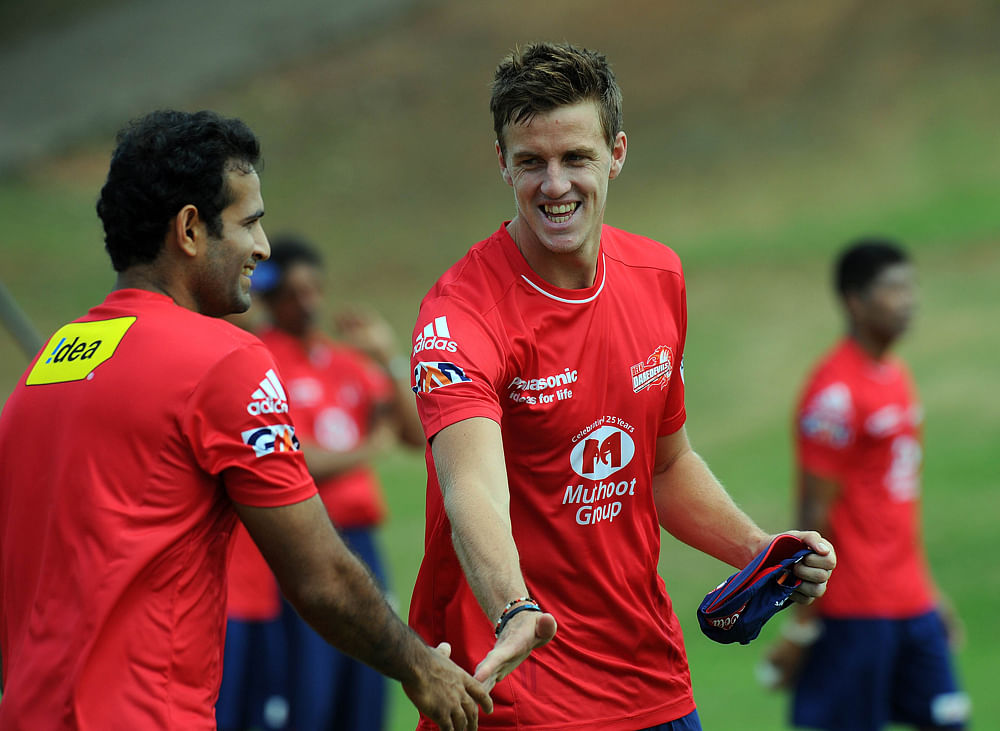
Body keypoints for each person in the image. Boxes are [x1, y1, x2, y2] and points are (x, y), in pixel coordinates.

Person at [0, 109, 492, 731]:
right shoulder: (223, 358)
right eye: (249, 223)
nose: (262, 247)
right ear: (189, 230)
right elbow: (319, 577)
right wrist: (421, 667)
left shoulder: (49, 363)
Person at [405, 42, 837, 731]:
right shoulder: (459, 319)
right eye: (530, 162)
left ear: (617, 153)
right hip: (521, 691)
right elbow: (472, 489)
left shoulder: (658, 276)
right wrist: (515, 610)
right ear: (501, 164)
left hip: (652, 682)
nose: (554, 185)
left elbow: (665, 464)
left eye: (575, 157)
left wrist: (757, 551)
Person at [762, 239, 970, 730]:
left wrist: (932, 595)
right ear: (856, 301)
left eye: (911, 285)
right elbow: (814, 517)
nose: (910, 299)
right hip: (855, 610)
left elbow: (891, 510)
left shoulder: (896, 374)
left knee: (951, 720)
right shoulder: (835, 393)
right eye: (894, 288)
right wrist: (803, 627)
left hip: (912, 602)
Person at [219, 235, 424, 731]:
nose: (308, 302)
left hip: (361, 544)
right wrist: (366, 450)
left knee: (366, 689)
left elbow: (416, 434)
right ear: (269, 293)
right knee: (310, 694)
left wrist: (389, 357)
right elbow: (290, 457)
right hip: (303, 539)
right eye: (295, 291)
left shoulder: (342, 360)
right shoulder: (259, 360)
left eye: (315, 289)